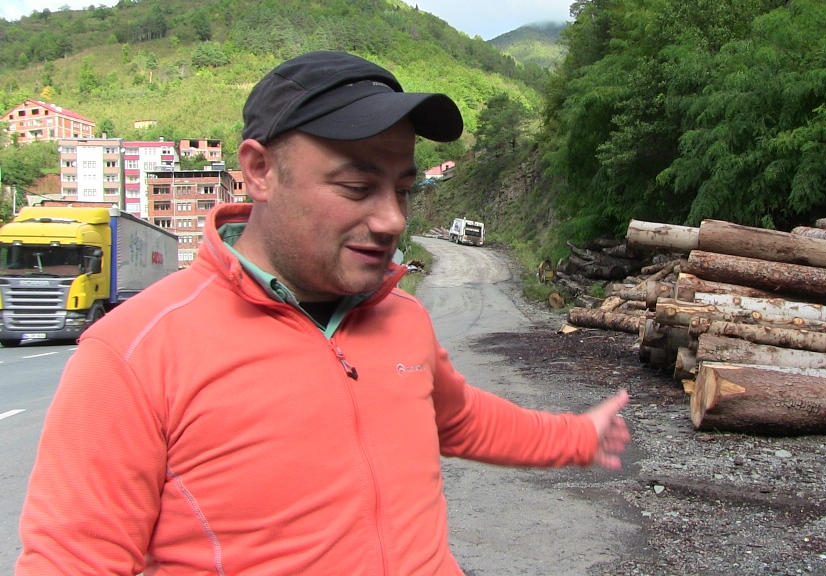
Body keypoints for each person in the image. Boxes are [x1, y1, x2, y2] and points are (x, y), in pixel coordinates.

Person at [16, 51, 631, 575]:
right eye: (357, 188)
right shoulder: (134, 353)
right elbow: (74, 559)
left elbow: (459, 418)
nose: (392, 219)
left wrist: (580, 437)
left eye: (403, 190)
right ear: (260, 170)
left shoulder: (402, 317)